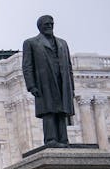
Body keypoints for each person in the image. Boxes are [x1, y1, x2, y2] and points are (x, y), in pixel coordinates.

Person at [21, 13, 75, 146]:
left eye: (51, 24)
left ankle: (63, 139)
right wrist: (31, 86)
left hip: (63, 81)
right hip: (44, 82)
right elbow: (27, 66)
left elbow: (69, 66)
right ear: (39, 27)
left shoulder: (62, 43)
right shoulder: (31, 43)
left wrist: (72, 87)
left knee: (62, 111)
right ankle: (50, 139)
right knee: (49, 111)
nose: (49, 26)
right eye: (46, 24)